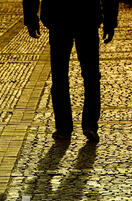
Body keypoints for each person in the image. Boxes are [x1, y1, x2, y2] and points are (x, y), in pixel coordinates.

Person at [22, 0, 119, 143]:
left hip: (59, 17)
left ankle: (64, 128)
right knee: (90, 75)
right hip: (86, 16)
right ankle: (89, 125)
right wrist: (109, 21)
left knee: (60, 76)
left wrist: (31, 18)